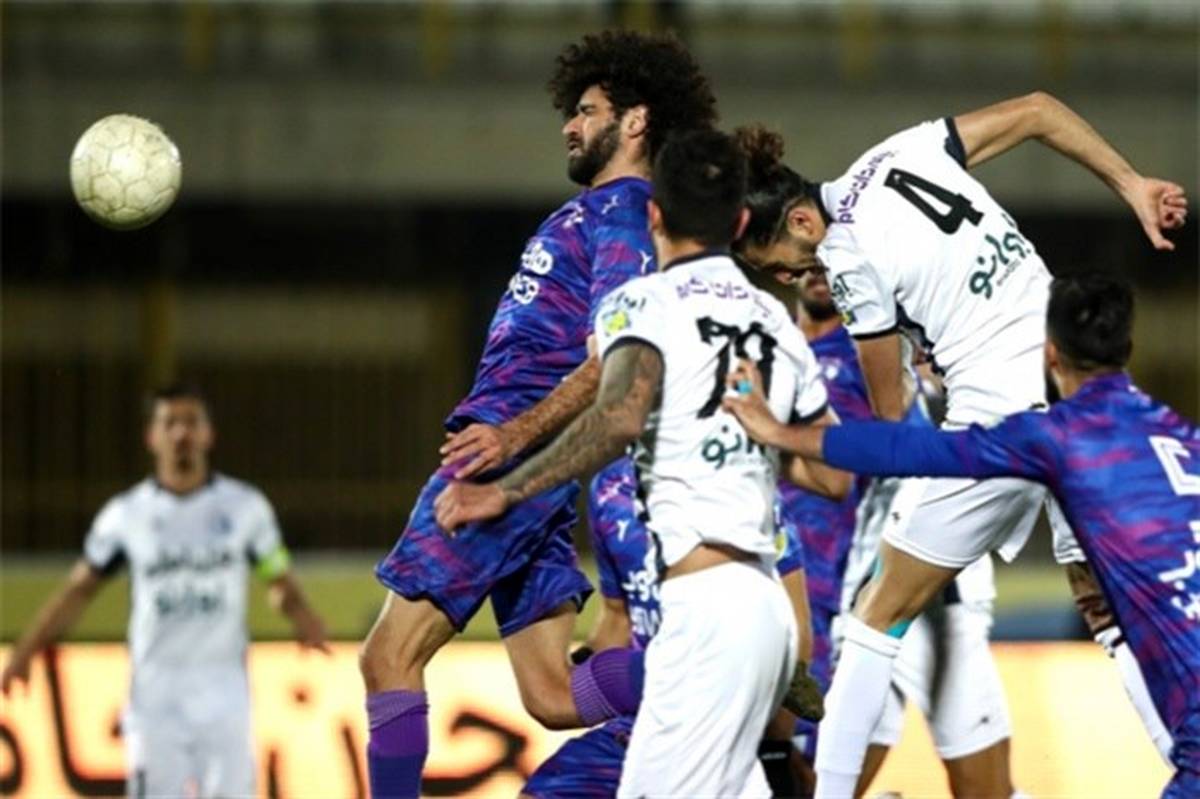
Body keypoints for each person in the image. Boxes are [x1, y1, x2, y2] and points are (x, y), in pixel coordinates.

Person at [730, 91, 1186, 797]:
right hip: (1072, 377)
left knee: (876, 616)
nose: (793, 277)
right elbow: (1037, 110)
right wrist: (1132, 185)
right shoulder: (903, 150)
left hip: (999, 412)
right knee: (1105, 608)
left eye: (784, 263)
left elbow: (889, 415)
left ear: (800, 219)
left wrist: (906, 366)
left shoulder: (846, 257)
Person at [358, 30, 719, 799]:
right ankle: (720, 673)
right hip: (527, 460)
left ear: (635, 121)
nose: (569, 126)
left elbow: (619, 354)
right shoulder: (594, 214)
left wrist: (512, 437)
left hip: (507, 460)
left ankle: (726, 670)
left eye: (586, 111)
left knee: (387, 658)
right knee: (553, 694)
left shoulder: (624, 214)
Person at [436, 128, 850, 795]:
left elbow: (619, 415)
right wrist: (760, 433)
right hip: (764, 613)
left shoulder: (641, 303)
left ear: (654, 214)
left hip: (705, 611)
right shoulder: (776, 323)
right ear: (739, 223)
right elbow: (832, 475)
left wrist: (505, 491)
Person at [0, 384, 327, 799]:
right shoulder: (126, 516)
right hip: (155, 697)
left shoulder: (246, 509)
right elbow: (78, 591)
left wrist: (301, 615)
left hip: (223, 694)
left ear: (208, 434)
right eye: (169, 423)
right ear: (151, 437)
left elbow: (277, 578)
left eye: (191, 422)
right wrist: (26, 650)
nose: (181, 433)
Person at [770, 258, 1012, 798]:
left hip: (928, 591)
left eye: (833, 259)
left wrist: (761, 439)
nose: (821, 269)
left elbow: (852, 461)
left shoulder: (873, 351)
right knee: (811, 780)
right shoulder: (781, 348)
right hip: (856, 596)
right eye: (811, 258)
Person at [521, 456, 817, 798]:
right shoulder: (608, 490)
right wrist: (573, 675)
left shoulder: (741, 487)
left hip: (725, 724)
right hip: (643, 715)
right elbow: (618, 616)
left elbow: (793, 624)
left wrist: (775, 749)